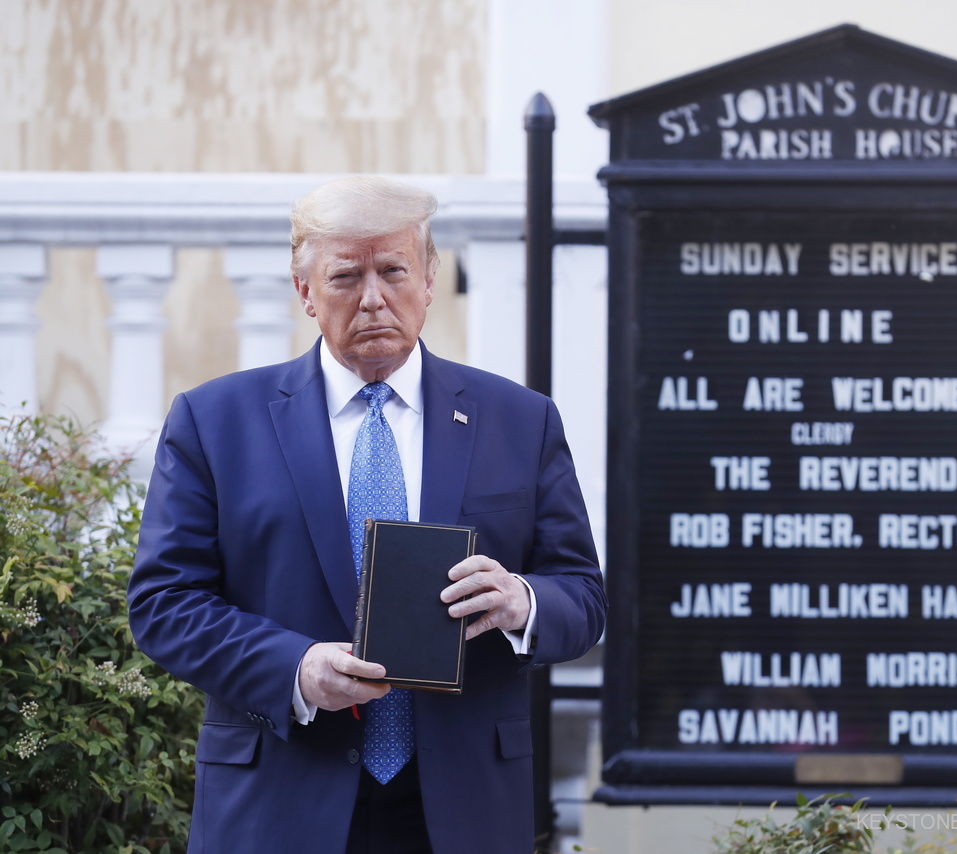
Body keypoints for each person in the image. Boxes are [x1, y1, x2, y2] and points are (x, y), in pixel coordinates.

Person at [127, 175, 607, 854]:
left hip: (462, 805)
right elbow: (163, 603)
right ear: (304, 292)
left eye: (394, 270)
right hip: (280, 799)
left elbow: (584, 597)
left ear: (431, 277)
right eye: (347, 275)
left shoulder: (519, 421)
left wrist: (522, 601)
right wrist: (293, 668)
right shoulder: (215, 422)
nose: (374, 297)